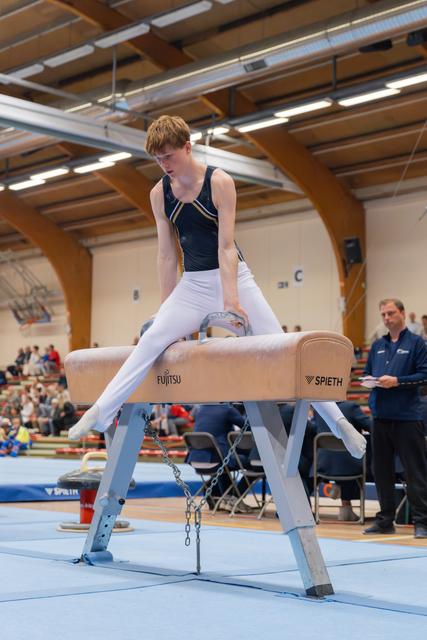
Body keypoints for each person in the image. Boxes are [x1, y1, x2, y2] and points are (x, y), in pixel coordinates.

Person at [68, 115, 365, 463]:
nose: (164, 165)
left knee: (280, 346)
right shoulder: (159, 193)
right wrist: (166, 310)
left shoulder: (219, 182)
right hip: (191, 285)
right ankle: (102, 410)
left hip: (234, 278)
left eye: (169, 157)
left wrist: (232, 302)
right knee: (151, 340)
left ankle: (339, 422)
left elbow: (226, 248)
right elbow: (166, 255)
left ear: (187, 147)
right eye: (158, 159)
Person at [363, 298, 427, 538]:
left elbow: (425, 375)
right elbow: (368, 373)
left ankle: (422, 521)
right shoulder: (378, 345)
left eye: (391, 313)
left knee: (414, 471)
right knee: (381, 470)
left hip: (407, 417)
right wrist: (369, 381)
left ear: (402, 313)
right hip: (380, 417)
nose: (387, 318)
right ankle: (385, 519)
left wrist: (399, 381)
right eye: (383, 315)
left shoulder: (417, 343)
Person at [312, 400, 371, 521]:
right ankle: (346, 506)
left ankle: (337, 487)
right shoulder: (351, 407)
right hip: (349, 463)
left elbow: (313, 427)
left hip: (323, 464)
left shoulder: (318, 408)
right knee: (359, 459)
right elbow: (369, 425)